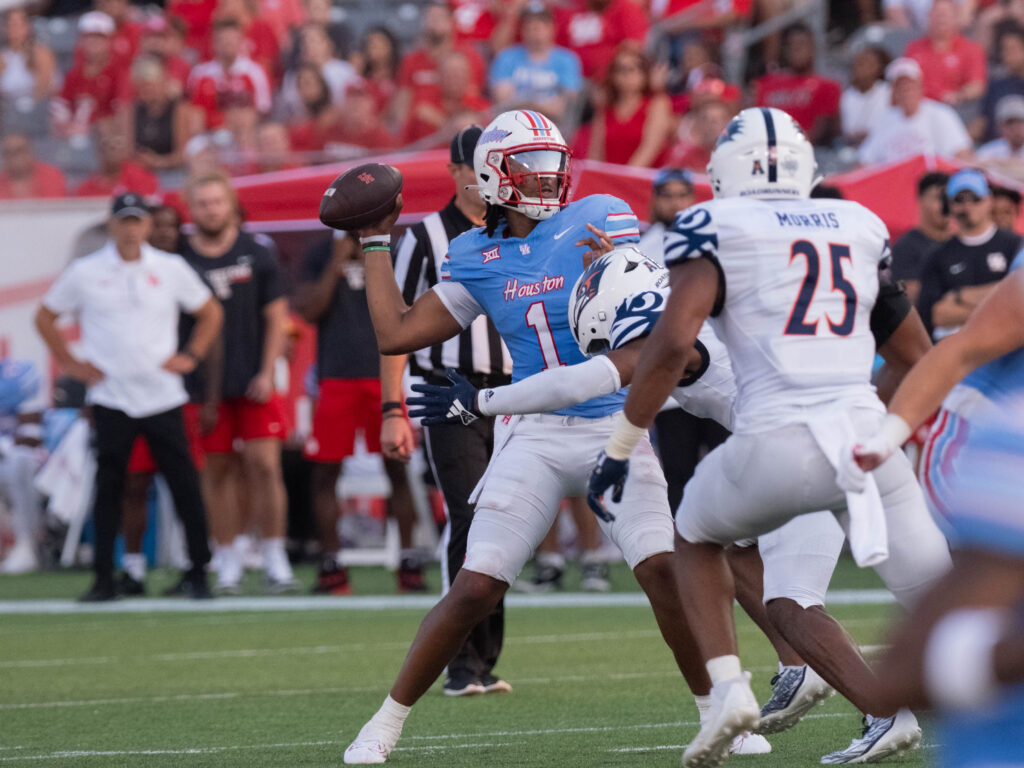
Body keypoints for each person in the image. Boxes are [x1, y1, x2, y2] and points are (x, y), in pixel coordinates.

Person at [409, 238, 940, 760]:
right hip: (863, 435)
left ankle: (755, 694)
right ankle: (854, 688)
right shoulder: (705, 298)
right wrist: (610, 267)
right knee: (898, 591)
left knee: (713, 551)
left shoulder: (670, 337)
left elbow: (580, 382)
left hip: (800, 454)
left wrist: (481, 399)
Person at [343, 109, 712, 764]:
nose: (548, 179)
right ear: (492, 176)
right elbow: (397, 334)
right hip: (534, 433)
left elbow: (641, 297)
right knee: (477, 585)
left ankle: (716, 712)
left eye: (553, 164)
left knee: (660, 568)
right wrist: (374, 243)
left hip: (613, 423)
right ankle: (385, 723)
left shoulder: (601, 214)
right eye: (530, 167)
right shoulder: (474, 254)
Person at [588, 107, 952, 767]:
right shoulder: (859, 223)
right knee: (948, 605)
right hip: (865, 437)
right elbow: (916, 353)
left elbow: (671, 344)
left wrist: (619, 445)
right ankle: (896, 710)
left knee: (695, 536)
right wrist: (885, 429)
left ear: (726, 169)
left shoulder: (711, 224)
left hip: (777, 440)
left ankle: (728, 689)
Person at [847, 251, 1024, 768]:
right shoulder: (1010, 435)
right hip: (980, 434)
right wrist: (888, 434)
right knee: (974, 601)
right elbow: (959, 351)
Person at [35, 192, 223, 601]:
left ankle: (198, 572)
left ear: (146, 225)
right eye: (125, 220)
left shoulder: (169, 267)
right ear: (113, 223)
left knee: (185, 485)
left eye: (138, 220)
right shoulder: (86, 271)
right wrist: (70, 362)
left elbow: (210, 311)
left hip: (163, 394)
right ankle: (105, 576)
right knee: (110, 487)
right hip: (112, 395)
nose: (132, 228)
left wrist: (191, 355)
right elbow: (45, 316)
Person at [380, 125, 514, 695]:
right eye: (481, 166)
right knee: (469, 514)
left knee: (506, 519)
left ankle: (485, 657)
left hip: (512, 394)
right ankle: (460, 662)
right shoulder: (427, 237)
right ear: (459, 172)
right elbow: (396, 329)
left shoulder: (521, 230)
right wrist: (392, 406)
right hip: (449, 389)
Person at [181, 173, 298, 594]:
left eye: (216, 201)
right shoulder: (179, 256)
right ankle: (227, 556)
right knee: (217, 471)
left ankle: (273, 554)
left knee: (265, 466)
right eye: (202, 203)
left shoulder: (257, 253)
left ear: (230, 203)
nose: (210, 209)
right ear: (191, 209)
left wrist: (267, 372)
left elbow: (276, 319)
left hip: (253, 377)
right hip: (202, 385)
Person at [294, 229, 425, 596]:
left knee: (397, 467)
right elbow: (310, 309)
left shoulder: (391, 250)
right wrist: (338, 260)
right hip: (335, 376)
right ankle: (332, 565)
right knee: (325, 472)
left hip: (383, 373)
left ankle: (409, 560)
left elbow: (410, 309)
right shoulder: (321, 251)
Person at [119, 204, 220, 595]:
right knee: (134, 482)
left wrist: (210, 394)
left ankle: (194, 564)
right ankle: (133, 567)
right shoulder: (125, 272)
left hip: (181, 393)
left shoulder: (188, 271)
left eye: (171, 226)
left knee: (186, 485)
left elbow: (214, 335)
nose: (163, 233)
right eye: (156, 225)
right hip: (128, 393)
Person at [916, 169, 1020, 341]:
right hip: (953, 354)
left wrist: (960, 296)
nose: (968, 206)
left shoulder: (1015, 245)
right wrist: (1000, 297)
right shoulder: (936, 256)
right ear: (949, 204)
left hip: (1004, 350)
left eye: (975, 198)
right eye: (959, 199)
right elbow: (935, 316)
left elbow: (1018, 303)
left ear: (989, 200)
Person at [858, 57, 972, 166]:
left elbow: (962, 154)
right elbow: (865, 160)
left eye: (909, 84)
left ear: (920, 86)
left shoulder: (941, 114)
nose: (906, 90)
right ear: (893, 91)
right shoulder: (885, 120)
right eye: (900, 86)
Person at [489, 1, 582, 130]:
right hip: (512, 127)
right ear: (522, 29)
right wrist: (542, 106)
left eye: (541, 23)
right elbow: (502, 101)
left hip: (552, 128)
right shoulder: (507, 57)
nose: (535, 28)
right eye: (529, 24)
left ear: (552, 27)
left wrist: (526, 104)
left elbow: (564, 107)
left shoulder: (567, 60)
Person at [753, 22, 841, 146]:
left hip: (809, 152)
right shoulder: (765, 85)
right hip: (768, 151)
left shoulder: (827, 86)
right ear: (784, 50)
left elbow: (822, 131)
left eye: (801, 44)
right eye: (791, 45)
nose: (796, 49)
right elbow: (756, 123)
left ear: (813, 48)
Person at [586, 46, 672, 167]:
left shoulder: (658, 104)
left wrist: (623, 179)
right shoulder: (605, 109)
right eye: (620, 69)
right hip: (608, 180)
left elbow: (650, 148)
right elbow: (595, 154)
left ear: (644, 73)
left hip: (642, 180)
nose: (625, 75)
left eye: (631, 69)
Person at [51, 12, 132, 138]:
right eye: (89, 36)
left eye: (100, 37)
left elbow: (123, 115)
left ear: (110, 40)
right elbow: (61, 110)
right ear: (81, 39)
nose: (94, 41)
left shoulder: (118, 73)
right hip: (75, 143)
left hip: (105, 144)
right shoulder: (73, 75)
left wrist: (92, 128)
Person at [187, 17, 272, 131]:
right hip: (208, 134)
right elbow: (192, 113)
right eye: (223, 40)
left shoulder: (254, 72)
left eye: (231, 40)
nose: (228, 44)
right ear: (214, 43)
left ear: (240, 41)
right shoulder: (200, 73)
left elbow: (263, 110)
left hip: (245, 133)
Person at [904, 0, 985, 106]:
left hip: (955, 108)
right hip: (920, 108)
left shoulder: (972, 49)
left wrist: (959, 95)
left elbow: (976, 85)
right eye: (937, 14)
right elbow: (905, 81)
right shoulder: (913, 48)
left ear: (956, 18)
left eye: (945, 15)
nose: (940, 19)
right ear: (929, 17)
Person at [890, 171, 951, 305]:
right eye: (938, 198)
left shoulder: (959, 242)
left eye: (949, 198)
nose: (945, 205)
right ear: (921, 200)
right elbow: (907, 294)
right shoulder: (905, 246)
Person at [0, 8, 57, 104]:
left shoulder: (41, 53)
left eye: (17, 24)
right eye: (10, 24)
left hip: (36, 109)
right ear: (4, 29)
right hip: (7, 111)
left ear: (27, 27)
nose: (14, 29)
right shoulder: (2, 57)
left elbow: (45, 88)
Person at [839, 45, 891, 147]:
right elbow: (844, 131)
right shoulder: (846, 96)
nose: (861, 67)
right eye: (858, 63)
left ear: (879, 68)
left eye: (868, 63)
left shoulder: (887, 91)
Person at [0, 133, 66, 199]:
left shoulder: (52, 176)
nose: (14, 157)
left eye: (19, 150)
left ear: (30, 151)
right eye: (8, 152)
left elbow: (55, 205)